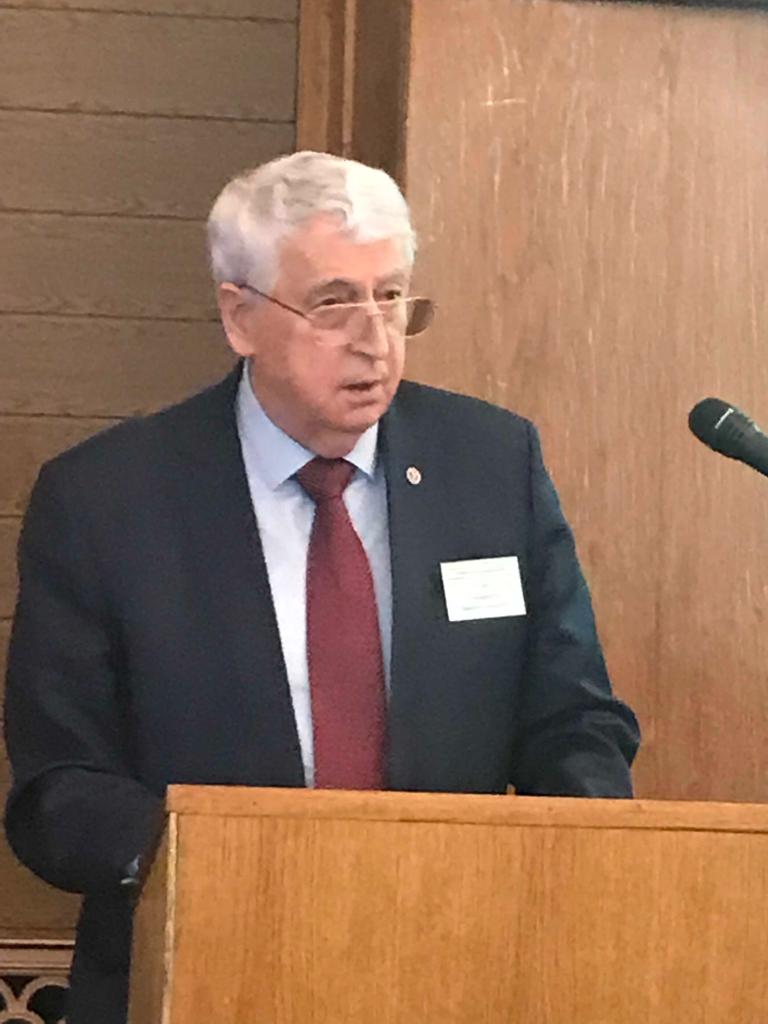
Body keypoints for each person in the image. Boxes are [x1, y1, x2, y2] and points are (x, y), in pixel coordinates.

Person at [3, 151, 640, 1024]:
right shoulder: (106, 500)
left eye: (392, 298)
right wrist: (226, 864)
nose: (374, 340)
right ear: (239, 317)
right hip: (198, 971)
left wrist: (585, 865)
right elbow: (59, 784)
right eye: (334, 303)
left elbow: (574, 720)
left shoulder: (492, 466)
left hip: (453, 968)